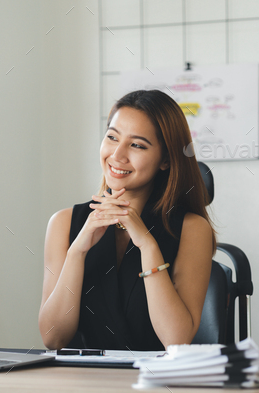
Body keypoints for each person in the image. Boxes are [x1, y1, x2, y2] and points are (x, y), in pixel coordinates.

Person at [38, 90, 216, 351]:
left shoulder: (192, 229)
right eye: (112, 137)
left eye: (137, 145)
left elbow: (176, 340)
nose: (117, 155)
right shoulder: (63, 223)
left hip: (155, 383)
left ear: (165, 160)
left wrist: (147, 245)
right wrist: (77, 251)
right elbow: (53, 338)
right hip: (82, 382)